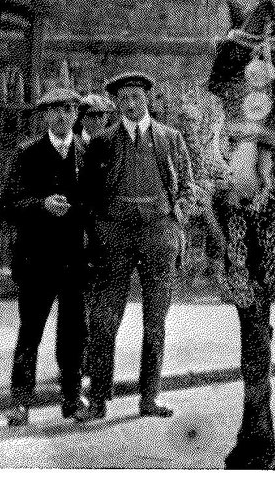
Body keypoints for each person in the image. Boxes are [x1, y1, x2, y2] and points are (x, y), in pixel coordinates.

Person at [77, 72, 194, 421]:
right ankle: (98, 399)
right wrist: (100, 230)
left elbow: (188, 186)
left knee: (155, 320)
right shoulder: (103, 143)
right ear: (115, 102)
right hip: (116, 235)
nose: (130, 103)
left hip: (158, 233)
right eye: (123, 98)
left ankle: (149, 398)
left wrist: (177, 221)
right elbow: (88, 195)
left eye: (136, 96)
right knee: (105, 319)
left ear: (147, 98)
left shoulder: (170, 139)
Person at [0, 88, 90, 426]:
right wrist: (40, 204)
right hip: (37, 259)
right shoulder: (27, 154)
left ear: (76, 114)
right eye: (56, 111)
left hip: (75, 259)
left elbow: (95, 204)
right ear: (45, 116)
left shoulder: (86, 152)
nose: (64, 116)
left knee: (73, 332)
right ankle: (21, 401)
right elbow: (6, 204)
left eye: (70, 110)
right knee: (31, 330)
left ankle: (71, 397)